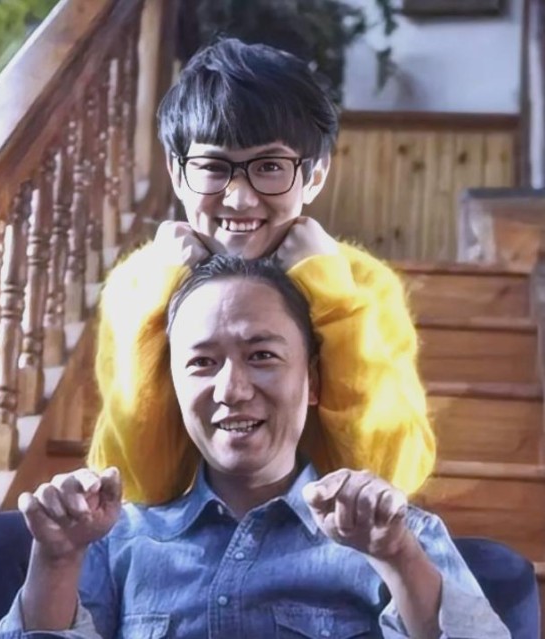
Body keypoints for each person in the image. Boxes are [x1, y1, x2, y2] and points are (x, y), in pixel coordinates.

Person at [0, 256, 509, 638]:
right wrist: (57, 560)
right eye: (202, 363)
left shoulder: (397, 534)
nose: (232, 389)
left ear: (312, 383)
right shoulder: (117, 542)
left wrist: (397, 558)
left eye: (261, 355)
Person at [88, 38, 435, 507]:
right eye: (214, 167)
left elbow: (388, 475)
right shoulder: (138, 285)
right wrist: (157, 303)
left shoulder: (364, 286)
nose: (239, 198)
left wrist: (333, 301)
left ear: (314, 176)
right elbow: (133, 484)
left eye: (270, 166)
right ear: (176, 172)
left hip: (323, 540)